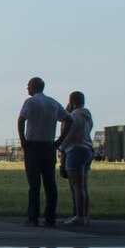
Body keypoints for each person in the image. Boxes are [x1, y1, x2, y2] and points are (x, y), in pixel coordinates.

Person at [18, 76, 64, 227]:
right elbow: (68, 119)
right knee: (50, 183)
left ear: (33, 87)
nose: (27, 88)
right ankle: (50, 217)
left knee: (34, 184)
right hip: (49, 146)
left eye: (28, 85)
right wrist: (59, 140)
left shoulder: (30, 102)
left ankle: (33, 217)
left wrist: (23, 139)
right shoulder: (52, 102)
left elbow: (21, 119)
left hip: (33, 146)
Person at [60, 91, 94, 226]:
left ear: (71, 101)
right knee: (84, 186)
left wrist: (61, 147)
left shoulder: (74, 116)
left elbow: (69, 135)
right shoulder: (87, 115)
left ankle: (79, 215)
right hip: (87, 149)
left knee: (76, 186)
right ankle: (85, 215)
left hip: (75, 150)